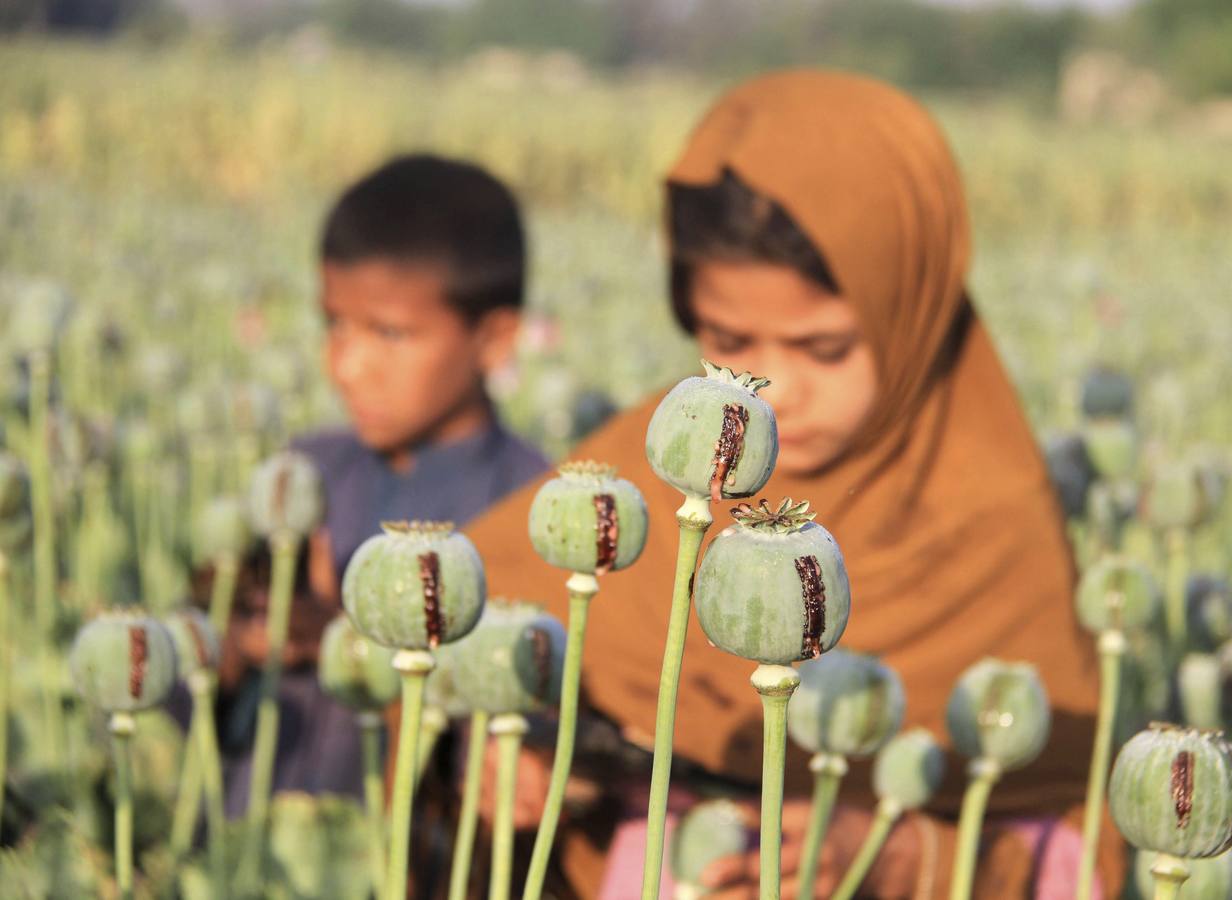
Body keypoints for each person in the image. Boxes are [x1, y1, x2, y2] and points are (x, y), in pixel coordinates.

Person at [465, 70, 1124, 898]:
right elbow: (464, 637)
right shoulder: (639, 477)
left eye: (823, 349)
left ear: (907, 314)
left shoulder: (992, 519)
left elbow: (1072, 832)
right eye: (729, 338)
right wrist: (520, 752)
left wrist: (894, 851)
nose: (770, 390)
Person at [215, 154, 550, 817]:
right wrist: (235, 641)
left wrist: (347, 638)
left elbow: (521, 736)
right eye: (335, 324)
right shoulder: (304, 471)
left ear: (494, 338)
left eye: (389, 333)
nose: (346, 364)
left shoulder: (532, 510)